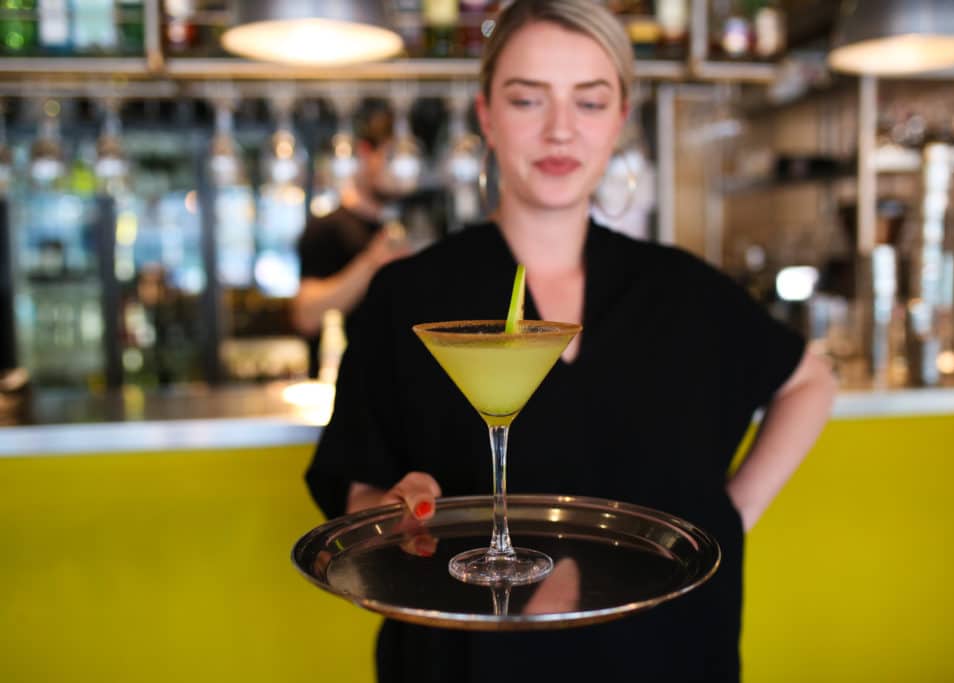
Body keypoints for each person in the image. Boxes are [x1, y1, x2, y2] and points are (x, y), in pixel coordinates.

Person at [305, 1, 837, 681]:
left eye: (590, 102)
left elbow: (810, 379)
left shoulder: (684, 289)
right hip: (471, 665)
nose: (560, 130)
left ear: (620, 119)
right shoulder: (407, 297)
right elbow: (358, 483)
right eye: (528, 99)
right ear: (487, 115)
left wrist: (729, 517)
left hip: (669, 653)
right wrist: (388, 518)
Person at [291, 101, 411, 378]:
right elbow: (306, 316)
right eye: (393, 157)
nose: (402, 172)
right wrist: (372, 262)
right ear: (366, 154)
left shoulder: (396, 227)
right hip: (340, 387)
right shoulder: (326, 227)